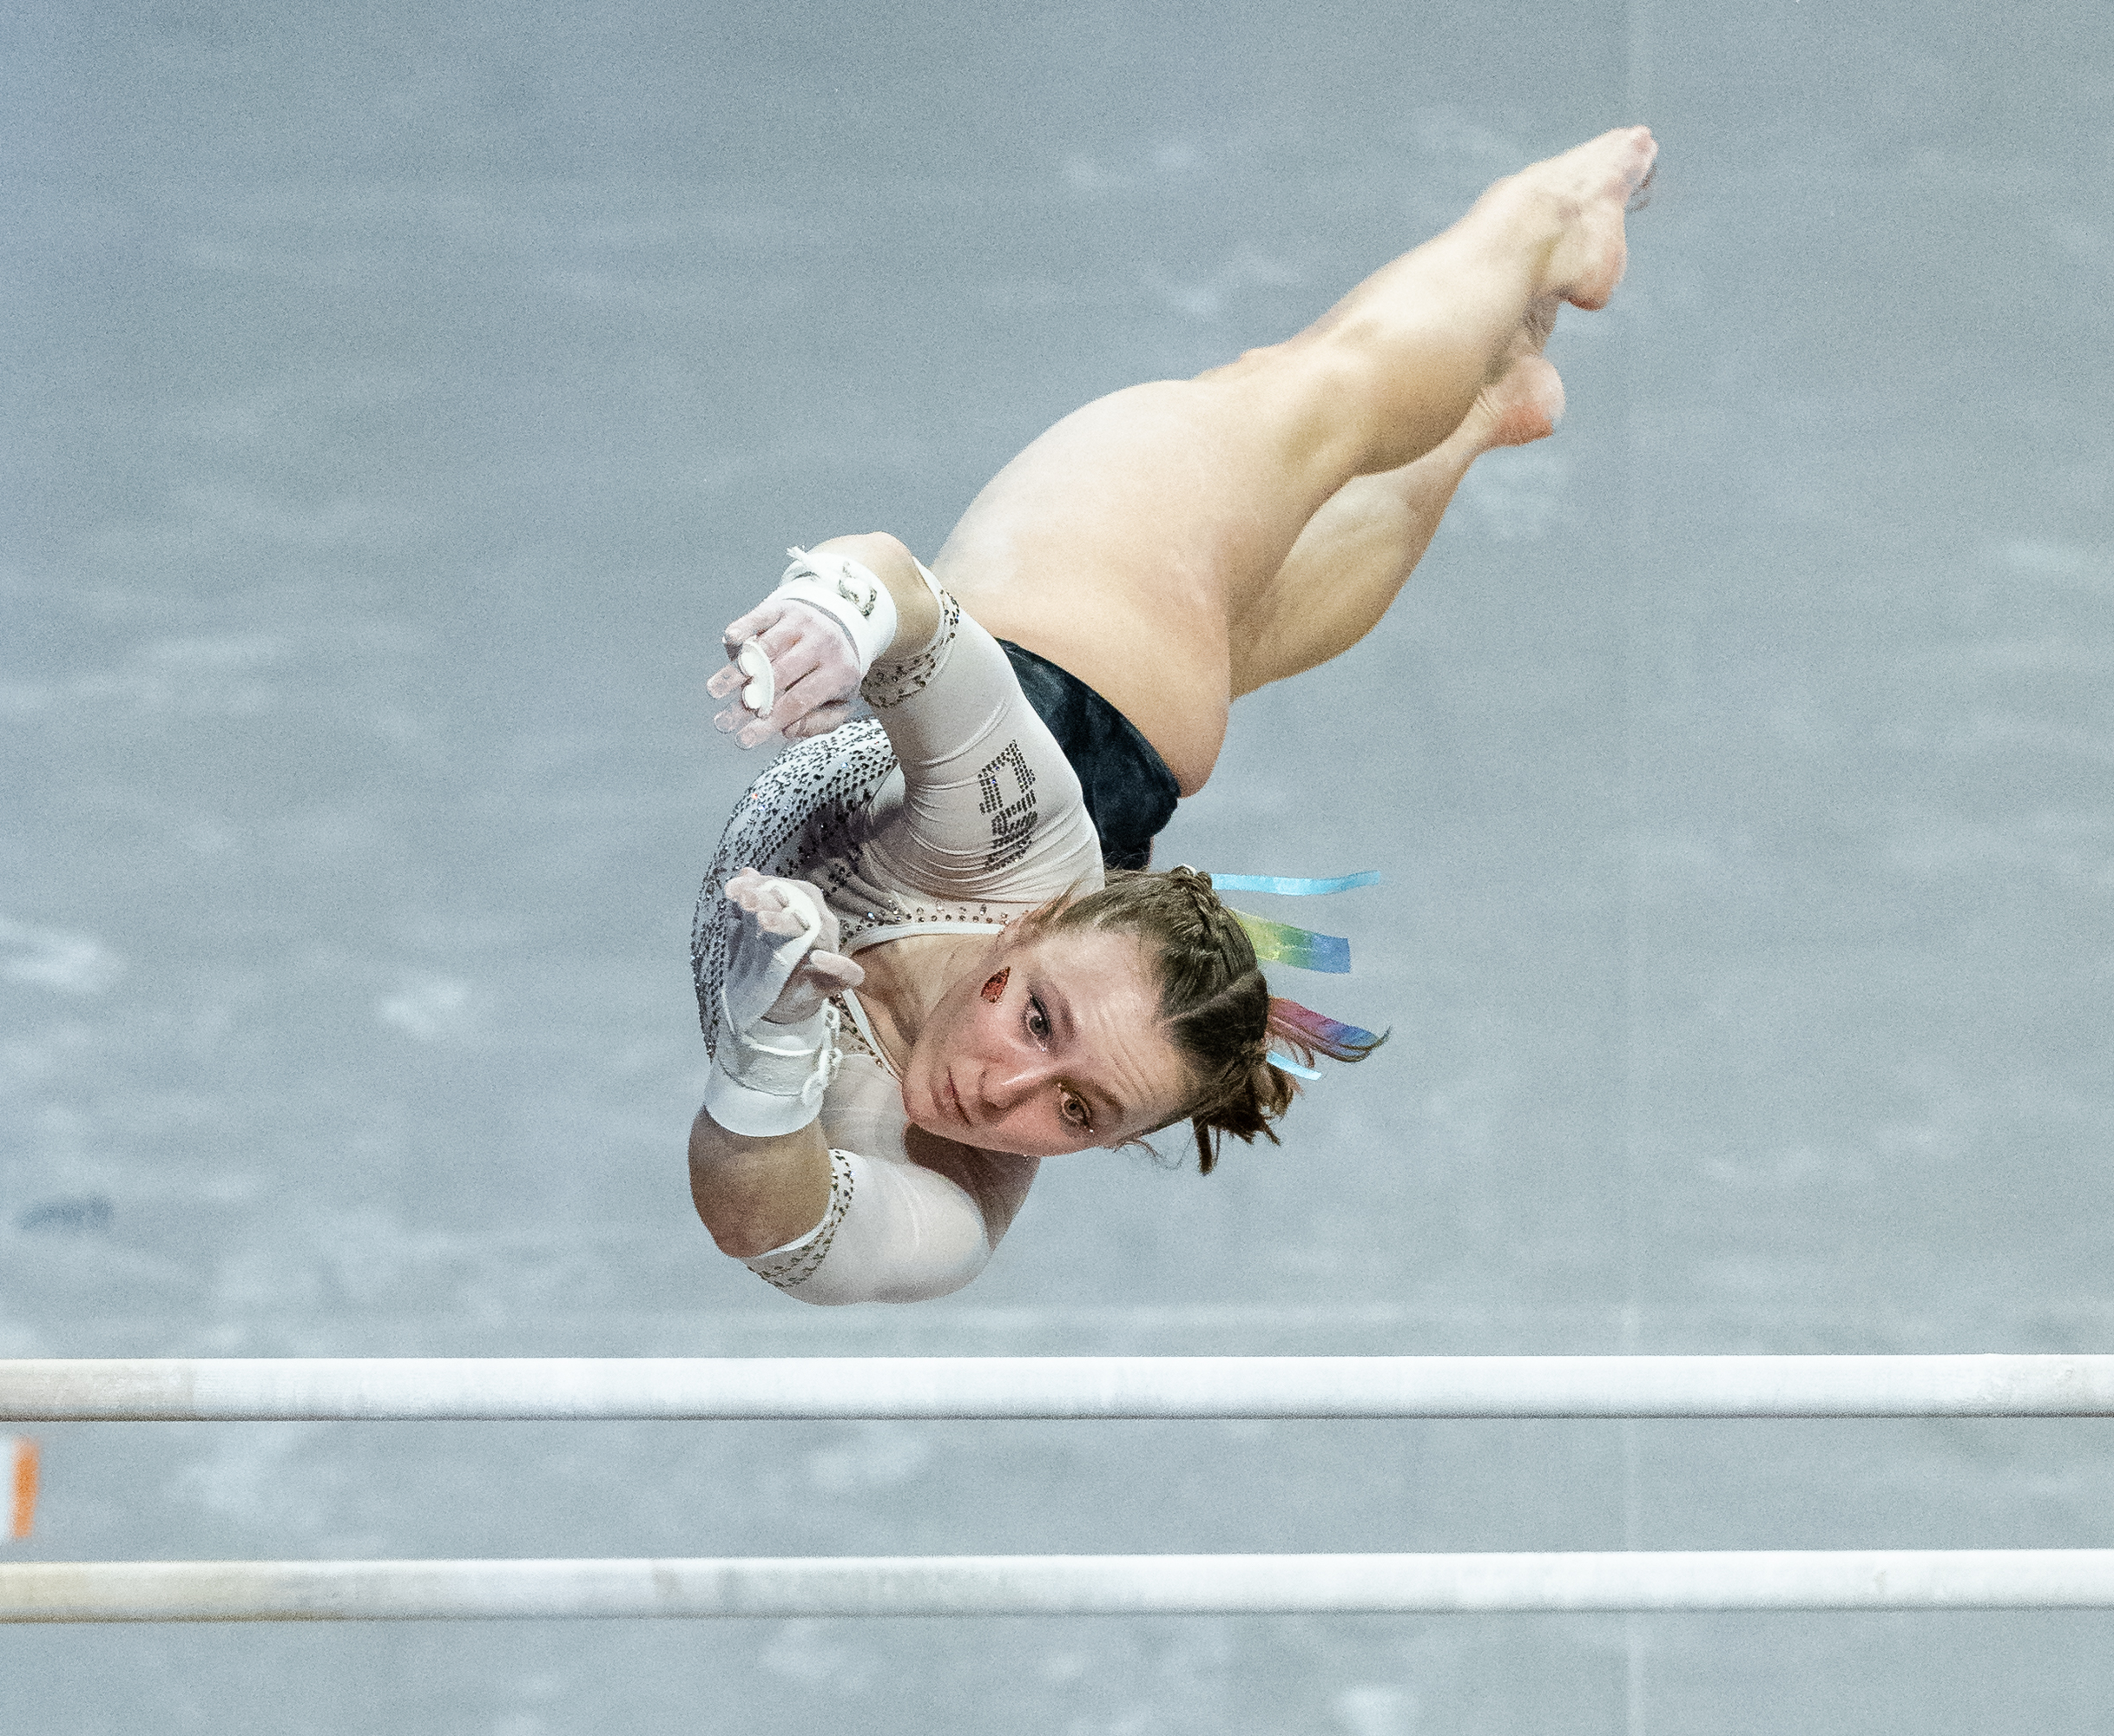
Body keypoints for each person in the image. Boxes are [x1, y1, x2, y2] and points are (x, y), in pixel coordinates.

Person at [686, 126, 1658, 1304]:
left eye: (1078, 1108)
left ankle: (1481, 403)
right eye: (1038, 1022)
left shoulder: (951, 1196)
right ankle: (1548, 218)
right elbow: (899, 590)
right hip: (1078, 658)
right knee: (1307, 396)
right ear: (1026, 927)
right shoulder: (1003, 848)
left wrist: (769, 1045)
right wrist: (832, 617)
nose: (1002, 1098)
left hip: (1133, 767)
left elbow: (765, 1226)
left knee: (1245, 618)